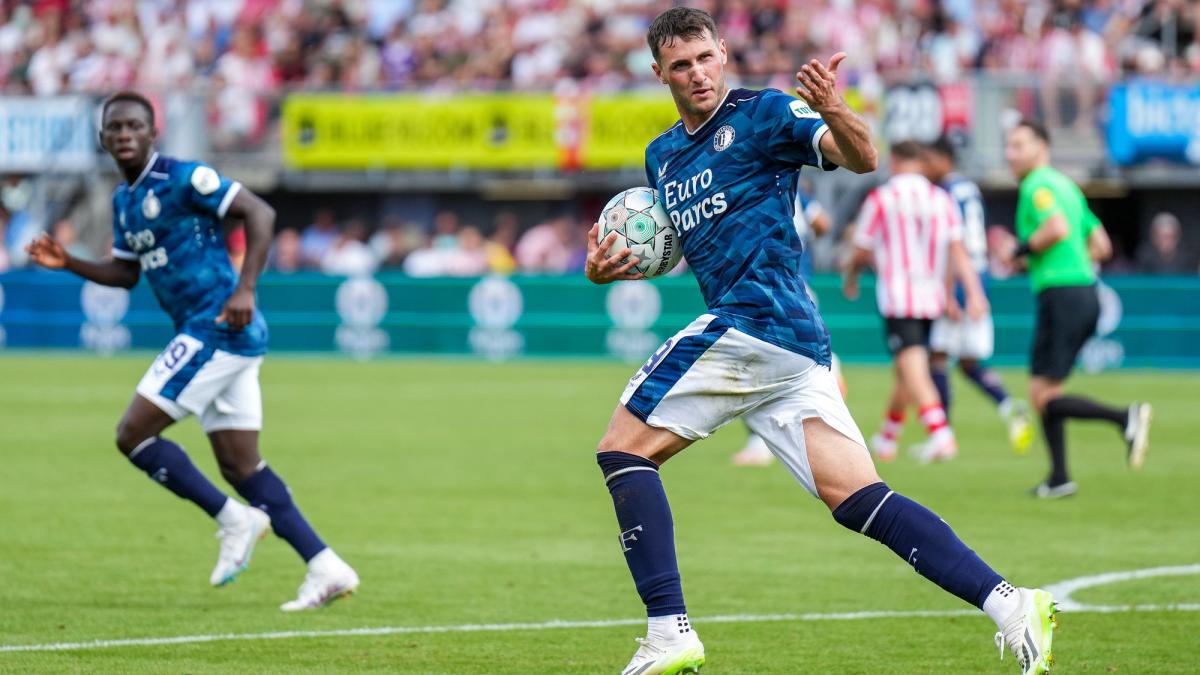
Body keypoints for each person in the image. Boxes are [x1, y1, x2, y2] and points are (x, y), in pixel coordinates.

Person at [585, 9, 1055, 675]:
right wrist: (601, 268)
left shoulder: (767, 114)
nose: (697, 74)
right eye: (681, 65)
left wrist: (835, 109)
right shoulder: (661, 157)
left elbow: (863, 158)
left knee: (621, 448)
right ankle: (1011, 602)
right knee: (858, 496)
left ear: (724, 53)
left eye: (705, 58)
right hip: (787, 343)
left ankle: (669, 632)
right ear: (659, 73)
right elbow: (689, 248)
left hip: (760, 320)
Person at [25, 91, 359, 610]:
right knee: (242, 468)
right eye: (115, 128)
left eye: (135, 125)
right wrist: (68, 261)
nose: (125, 135)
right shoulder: (123, 201)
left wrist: (246, 287)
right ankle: (325, 566)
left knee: (132, 434)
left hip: (218, 325)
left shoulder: (183, 178)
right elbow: (124, 273)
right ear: (103, 139)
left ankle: (235, 520)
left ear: (153, 133)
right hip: (216, 334)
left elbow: (260, 212)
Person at [1001, 119, 1152, 499]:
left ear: (1042, 146)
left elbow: (1055, 229)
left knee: (1045, 396)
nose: (1011, 154)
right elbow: (1100, 244)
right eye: (1009, 146)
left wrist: (1021, 251)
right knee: (1043, 391)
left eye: (1019, 145)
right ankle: (1059, 477)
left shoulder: (1037, 185)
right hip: (1082, 291)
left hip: (1063, 294)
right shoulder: (1068, 186)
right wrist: (1054, 260)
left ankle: (1125, 418)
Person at [843, 140, 987, 464]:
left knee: (913, 367)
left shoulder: (882, 198)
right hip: (932, 296)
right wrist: (971, 293)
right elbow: (958, 250)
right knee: (907, 368)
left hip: (899, 295)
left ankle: (940, 434)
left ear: (893, 161)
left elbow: (862, 249)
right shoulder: (941, 198)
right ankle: (887, 436)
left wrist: (850, 278)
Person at [923, 136, 1033, 454]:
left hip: (959, 276)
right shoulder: (969, 189)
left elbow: (951, 243)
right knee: (969, 361)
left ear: (945, 159)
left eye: (931, 159)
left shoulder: (945, 193)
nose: (927, 166)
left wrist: (951, 293)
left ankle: (941, 435)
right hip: (979, 275)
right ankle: (1009, 406)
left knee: (937, 356)